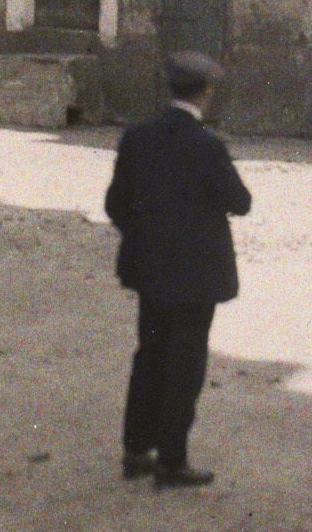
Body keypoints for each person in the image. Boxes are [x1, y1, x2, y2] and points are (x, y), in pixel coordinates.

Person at [104, 50, 252, 489]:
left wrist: (146, 235)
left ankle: (135, 450)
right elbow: (241, 203)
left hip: (149, 269)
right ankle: (171, 461)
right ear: (205, 93)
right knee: (184, 364)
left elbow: (115, 205)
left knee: (149, 355)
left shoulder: (137, 137)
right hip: (195, 276)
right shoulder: (208, 145)